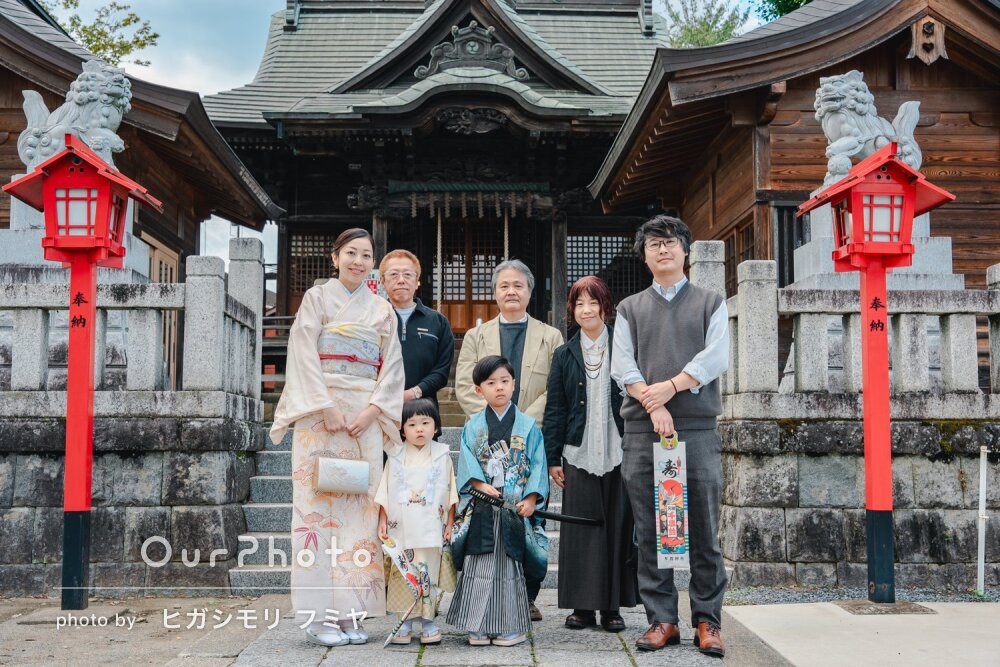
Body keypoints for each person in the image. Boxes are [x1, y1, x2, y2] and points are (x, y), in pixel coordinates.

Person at [269, 227, 405, 648]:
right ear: (335, 257)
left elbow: (392, 367)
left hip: (362, 421)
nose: (358, 261)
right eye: (351, 253)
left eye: (366, 255)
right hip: (320, 419)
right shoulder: (316, 299)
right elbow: (303, 352)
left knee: (359, 518)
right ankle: (318, 615)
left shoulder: (383, 311)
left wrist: (372, 412)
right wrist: (324, 404)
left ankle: (350, 612)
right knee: (316, 516)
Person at [611, 215, 729, 657]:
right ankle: (662, 619)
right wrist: (654, 403)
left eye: (671, 243)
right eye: (654, 244)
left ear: (685, 251)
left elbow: (716, 356)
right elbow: (622, 366)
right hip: (643, 431)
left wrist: (673, 386)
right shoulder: (629, 309)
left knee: (702, 526)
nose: (663, 250)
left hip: (696, 428)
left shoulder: (709, 303)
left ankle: (707, 620)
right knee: (650, 529)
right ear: (644, 256)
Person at [454, 259, 562, 620]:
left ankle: (527, 595)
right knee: (485, 525)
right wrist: (485, 419)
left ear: (530, 291)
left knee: (528, 524)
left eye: (519, 285)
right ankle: (482, 592)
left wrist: (523, 421)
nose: (511, 291)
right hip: (487, 441)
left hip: (531, 438)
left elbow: (554, 388)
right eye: (504, 285)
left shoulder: (550, 336)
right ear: (495, 292)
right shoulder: (476, 336)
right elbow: (464, 385)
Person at [542, 276, 638, 632]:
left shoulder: (626, 348)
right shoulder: (564, 354)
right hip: (578, 451)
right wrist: (553, 457)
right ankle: (582, 607)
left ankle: (612, 607)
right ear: (572, 311)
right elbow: (555, 409)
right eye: (579, 304)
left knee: (617, 524)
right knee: (581, 528)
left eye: (592, 302)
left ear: (605, 306)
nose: (586, 310)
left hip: (619, 449)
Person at [447, 355, 548, 647]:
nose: (499, 388)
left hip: (515, 509)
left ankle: (506, 627)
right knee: (480, 565)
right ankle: (477, 627)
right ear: (479, 390)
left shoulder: (529, 427)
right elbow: (466, 461)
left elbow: (538, 465)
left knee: (509, 568)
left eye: (505, 381)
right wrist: (478, 484)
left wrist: (531, 498)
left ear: (514, 384)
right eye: (491, 383)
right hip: (482, 508)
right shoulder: (473, 426)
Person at [376, 398, 458, 646]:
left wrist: (450, 523)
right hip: (402, 527)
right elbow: (385, 491)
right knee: (405, 573)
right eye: (412, 424)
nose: (419, 429)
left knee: (428, 574)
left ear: (436, 426)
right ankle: (405, 621)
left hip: (432, 527)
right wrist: (382, 519)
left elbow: (451, 492)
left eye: (425, 422)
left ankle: (429, 623)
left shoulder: (443, 455)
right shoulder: (396, 456)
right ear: (402, 430)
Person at [379, 250, 455, 408]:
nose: (401, 280)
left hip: (423, 412)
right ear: (382, 281)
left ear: (417, 281)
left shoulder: (437, 321)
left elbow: (441, 371)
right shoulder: (372, 319)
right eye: (393, 274)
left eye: (407, 275)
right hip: (378, 409)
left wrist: (413, 393)